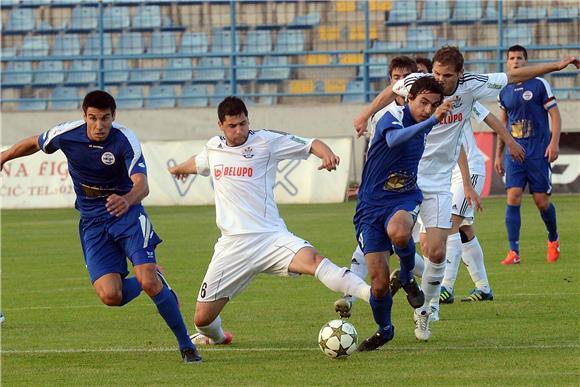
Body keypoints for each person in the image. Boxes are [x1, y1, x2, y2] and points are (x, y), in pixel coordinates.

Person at [353, 46, 578, 341]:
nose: (439, 80)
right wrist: (365, 114)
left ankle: (426, 309)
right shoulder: (418, 83)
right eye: (436, 73)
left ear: (459, 74)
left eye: (446, 76)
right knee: (397, 236)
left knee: (436, 251)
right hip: (409, 180)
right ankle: (402, 277)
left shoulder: (472, 85)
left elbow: (513, 76)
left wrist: (557, 66)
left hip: (438, 182)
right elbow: (391, 89)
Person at [0, 90, 201, 363]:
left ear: (113, 116)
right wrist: (4, 157)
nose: (99, 125)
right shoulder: (68, 133)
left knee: (147, 279)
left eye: (105, 118)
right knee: (110, 295)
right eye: (93, 118)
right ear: (84, 116)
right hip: (92, 221)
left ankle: (186, 345)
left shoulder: (124, 139)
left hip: (127, 216)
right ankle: (153, 279)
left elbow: (142, 184)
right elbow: (35, 143)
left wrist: (127, 199)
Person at [168, 96, 371, 346]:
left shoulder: (265, 141)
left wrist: (325, 153)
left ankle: (374, 296)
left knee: (315, 260)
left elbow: (309, 144)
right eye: (232, 126)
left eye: (243, 123)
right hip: (232, 247)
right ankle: (219, 338)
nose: (239, 130)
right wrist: (179, 169)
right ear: (220, 125)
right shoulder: (213, 147)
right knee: (203, 320)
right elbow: (199, 163)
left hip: (270, 237)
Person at [355, 77, 453, 351]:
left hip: (404, 196)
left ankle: (408, 275)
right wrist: (432, 120)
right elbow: (395, 140)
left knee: (399, 231)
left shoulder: (424, 122)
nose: (427, 109)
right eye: (423, 102)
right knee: (379, 283)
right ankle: (385, 329)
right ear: (409, 98)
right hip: (370, 205)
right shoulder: (392, 115)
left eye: (433, 105)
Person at [335, 56, 421, 318]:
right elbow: (374, 150)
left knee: (423, 245)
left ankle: (427, 284)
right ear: (391, 81)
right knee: (372, 246)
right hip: (379, 190)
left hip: (411, 185)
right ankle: (351, 295)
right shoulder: (381, 114)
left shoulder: (422, 109)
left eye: (406, 78)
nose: (401, 83)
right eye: (396, 78)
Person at [496, 45, 562, 265]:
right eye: (512, 58)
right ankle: (513, 251)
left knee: (541, 201)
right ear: (507, 63)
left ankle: (553, 238)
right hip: (515, 153)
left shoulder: (539, 84)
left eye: (520, 58)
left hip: (538, 151)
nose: (516, 61)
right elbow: (502, 125)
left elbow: (555, 115)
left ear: (526, 61)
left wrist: (554, 143)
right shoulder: (503, 89)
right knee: (513, 196)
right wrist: (498, 155)